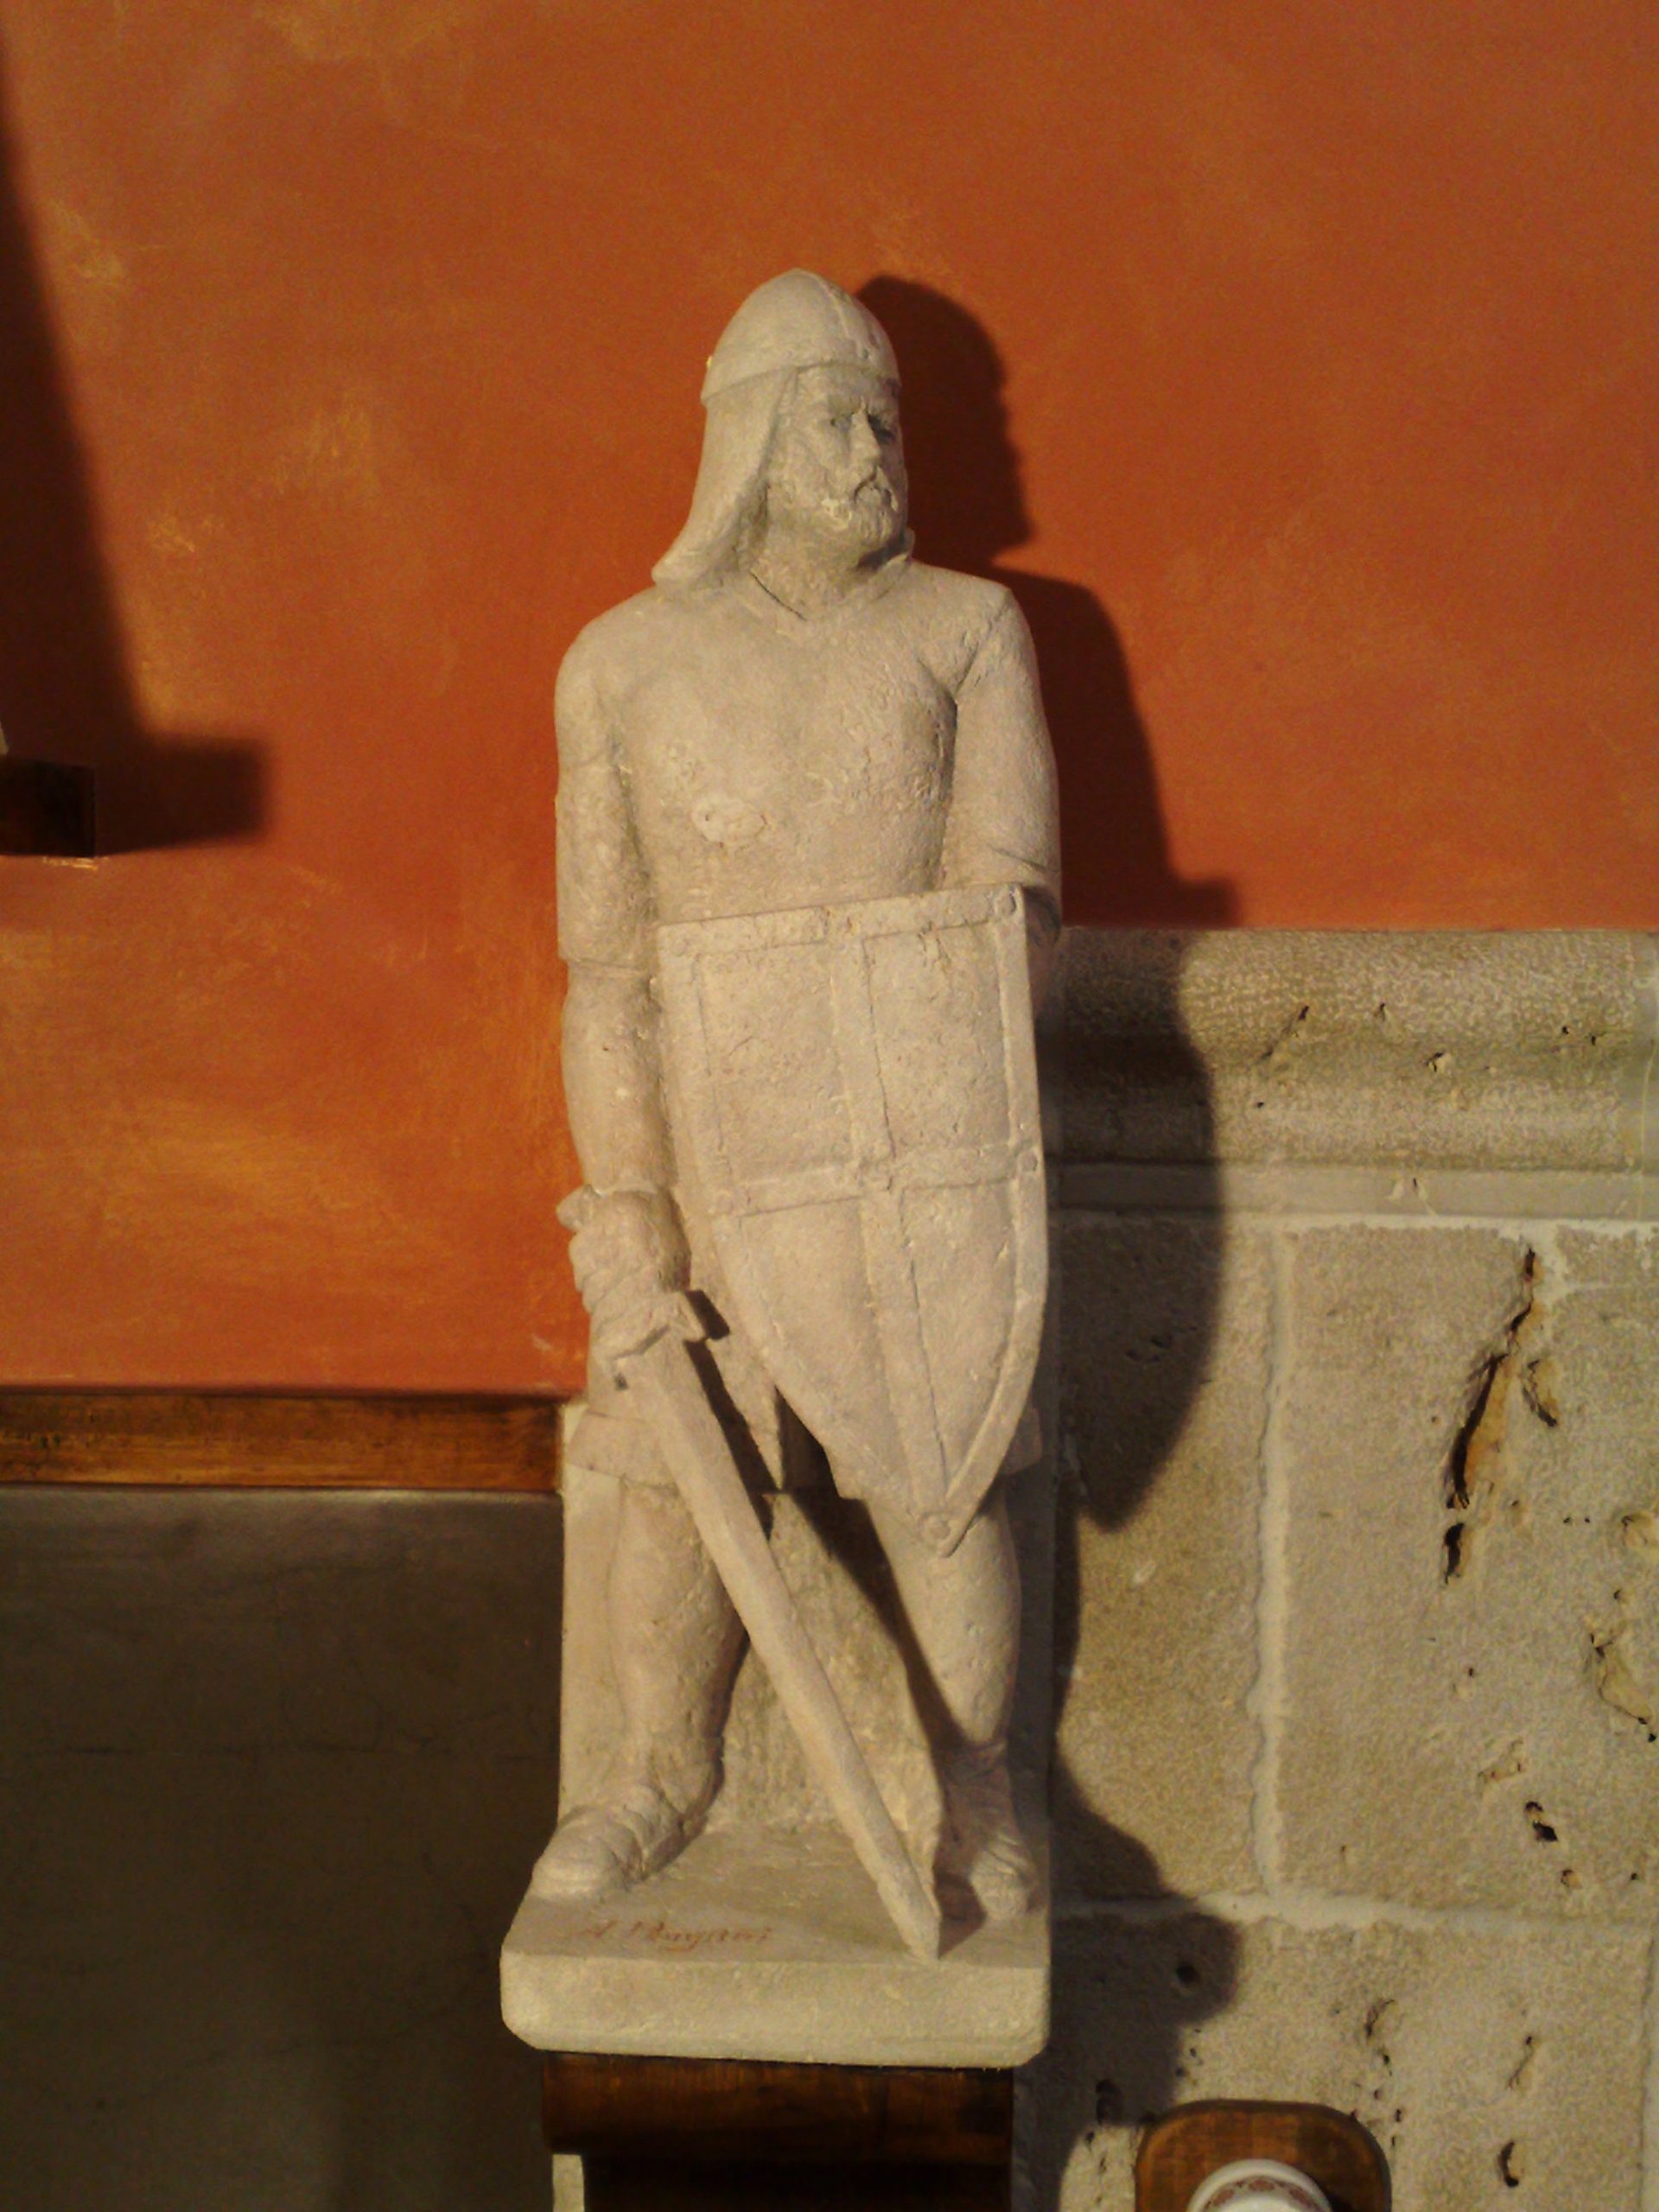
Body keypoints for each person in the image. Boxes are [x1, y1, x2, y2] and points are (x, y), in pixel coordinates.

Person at [533, 270, 1059, 1922]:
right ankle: (659, 1774)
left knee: (948, 1472)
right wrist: (630, 1191)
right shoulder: (619, 668)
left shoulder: (965, 632)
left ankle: (979, 1782)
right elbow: (608, 971)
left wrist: (918, 1100)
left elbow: (1009, 922)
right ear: (751, 441)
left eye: (885, 423)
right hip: (711, 1155)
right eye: (839, 421)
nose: (874, 455)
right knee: (672, 1471)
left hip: (912, 1152)